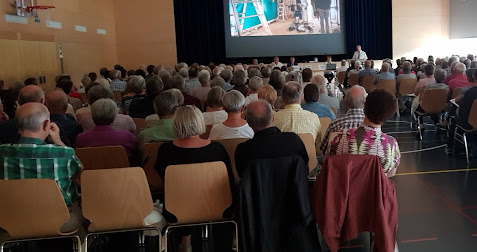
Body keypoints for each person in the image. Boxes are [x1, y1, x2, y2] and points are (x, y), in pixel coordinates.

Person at [154, 105, 234, 251]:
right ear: (200, 122)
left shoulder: (165, 151)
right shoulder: (217, 149)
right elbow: (227, 180)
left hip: (177, 208)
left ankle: (186, 240)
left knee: (182, 194)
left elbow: (164, 180)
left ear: (176, 124)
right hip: (218, 206)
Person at [0, 102, 84, 233]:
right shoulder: (64, 153)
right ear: (46, 125)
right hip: (61, 220)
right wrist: (59, 142)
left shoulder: (1, 153)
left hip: (12, 220)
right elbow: (80, 175)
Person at [325, 89, 400, 177]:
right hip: (374, 190)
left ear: (364, 109)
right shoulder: (391, 145)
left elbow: (328, 164)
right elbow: (391, 173)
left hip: (344, 188)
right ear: (388, 116)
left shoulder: (339, 138)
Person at [235, 100, 309, 175]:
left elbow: (243, 177)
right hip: (294, 186)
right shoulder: (294, 140)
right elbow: (305, 165)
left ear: (248, 123)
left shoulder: (243, 151)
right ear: (272, 118)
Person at [74, 99, 138, 164]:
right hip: (124, 173)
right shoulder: (127, 137)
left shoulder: (81, 139)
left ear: (92, 117)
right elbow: (136, 158)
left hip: (89, 173)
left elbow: (77, 160)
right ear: (113, 118)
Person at [319, 86, 366, 154]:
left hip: (339, 163)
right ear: (365, 102)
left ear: (346, 102)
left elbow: (324, 149)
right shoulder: (372, 126)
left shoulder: (335, 125)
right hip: (364, 164)